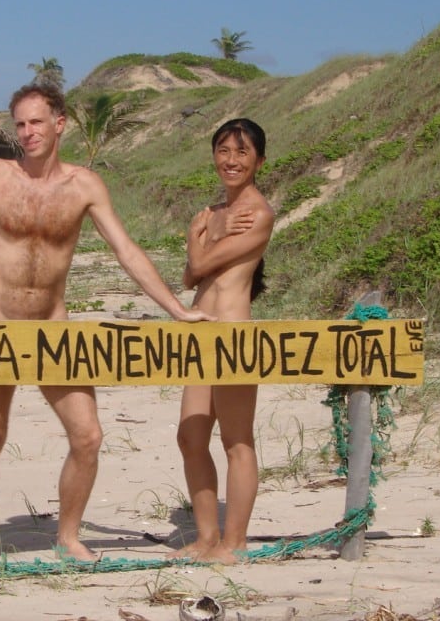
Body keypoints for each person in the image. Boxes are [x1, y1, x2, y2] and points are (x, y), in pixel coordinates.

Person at [0, 83, 212, 566]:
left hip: (54, 329)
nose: (27, 132)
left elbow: (127, 251)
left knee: (88, 436)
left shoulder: (85, 186)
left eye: (36, 122)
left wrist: (177, 311)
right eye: (20, 124)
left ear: (60, 124)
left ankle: (68, 536)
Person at [169, 118, 275, 564]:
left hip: (233, 335)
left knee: (237, 440)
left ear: (259, 161)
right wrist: (206, 237)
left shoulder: (258, 213)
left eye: (242, 152)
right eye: (223, 151)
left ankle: (235, 543)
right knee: (191, 437)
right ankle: (206, 536)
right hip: (200, 334)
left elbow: (203, 258)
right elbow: (191, 275)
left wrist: (204, 237)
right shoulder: (213, 212)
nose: (231, 161)